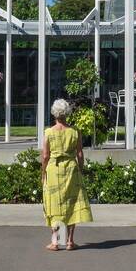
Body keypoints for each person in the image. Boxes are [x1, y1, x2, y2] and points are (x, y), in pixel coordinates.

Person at [39, 98, 93, 251]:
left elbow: (45, 156)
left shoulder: (49, 132)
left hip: (54, 169)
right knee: (72, 203)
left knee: (55, 203)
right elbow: (80, 154)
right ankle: (69, 241)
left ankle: (56, 241)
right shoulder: (75, 131)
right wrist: (80, 170)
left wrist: (43, 173)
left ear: (54, 114)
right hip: (71, 169)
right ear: (67, 113)